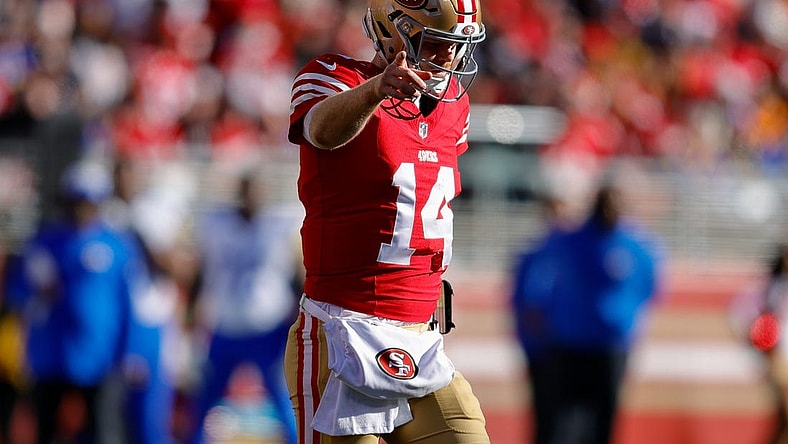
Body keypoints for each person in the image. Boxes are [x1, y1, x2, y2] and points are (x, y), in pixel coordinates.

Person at [285, 1, 489, 443]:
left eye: (457, 46)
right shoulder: (333, 75)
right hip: (341, 329)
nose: (449, 58)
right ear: (391, 30)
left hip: (421, 336)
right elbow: (320, 130)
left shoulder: (455, 107)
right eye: (436, 43)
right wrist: (375, 90)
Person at [512, 178, 662, 444]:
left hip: (611, 346)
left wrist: (625, 316)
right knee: (564, 421)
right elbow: (535, 280)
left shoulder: (635, 246)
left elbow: (651, 285)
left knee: (603, 420)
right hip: (569, 343)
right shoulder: (570, 240)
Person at [6, 159, 142, 444]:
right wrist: (38, 292)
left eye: (88, 201)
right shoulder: (44, 243)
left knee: (103, 431)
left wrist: (130, 351)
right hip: (50, 353)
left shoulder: (116, 245)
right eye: (75, 201)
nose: (81, 209)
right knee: (45, 429)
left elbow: (129, 303)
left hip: (99, 355)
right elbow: (16, 293)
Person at [188, 172, 302, 444]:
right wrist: (191, 312)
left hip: (268, 327)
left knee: (282, 397)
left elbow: (297, 276)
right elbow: (201, 273)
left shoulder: (278, 226)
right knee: (206, 397)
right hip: (224, 325)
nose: (251, 198)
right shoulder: (216, 225)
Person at [102, 158, 183, 444]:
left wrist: (143, 237)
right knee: (114, 412)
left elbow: (176, 266)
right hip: (115, 322)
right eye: (119, 175)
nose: (125, 183)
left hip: (151, 319)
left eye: (130, 175)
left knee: (152, 414)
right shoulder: (104, 214)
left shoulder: (152, 212)